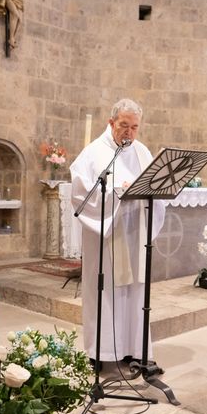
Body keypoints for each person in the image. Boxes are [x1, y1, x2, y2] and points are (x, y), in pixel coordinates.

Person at [70, 99, 166, 365]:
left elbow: (158, 190)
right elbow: (80, 195)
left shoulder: (142, 152)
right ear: (111, 123)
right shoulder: (93, 153)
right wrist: (115, 193)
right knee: (106, 292)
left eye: (135, 127)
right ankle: (101, 352)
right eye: (124, 126)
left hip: (136, 234)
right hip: (109, 237)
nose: (129, 133)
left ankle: (134, 351)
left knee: (135, 292)